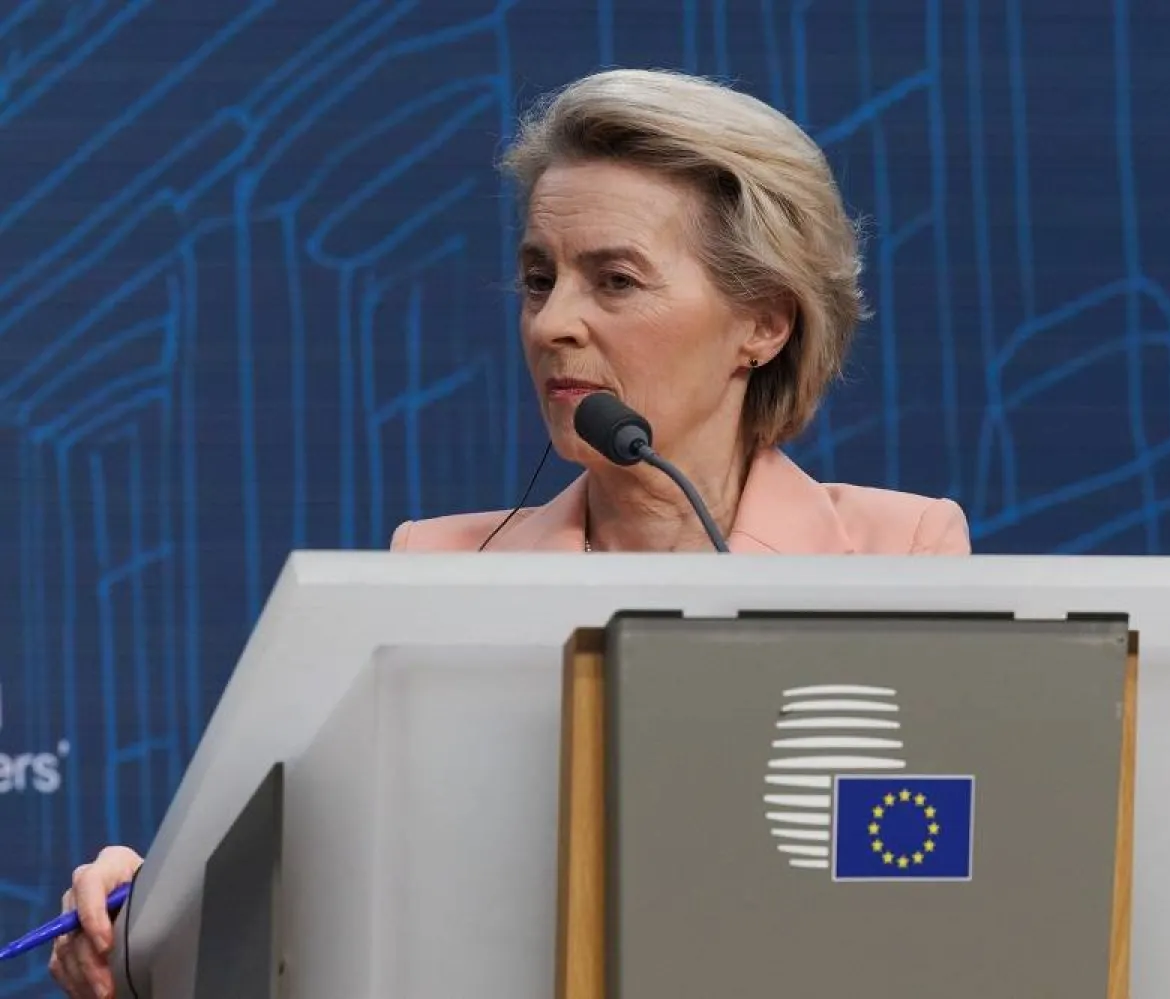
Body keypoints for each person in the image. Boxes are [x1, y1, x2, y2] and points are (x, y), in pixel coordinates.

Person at [48, 66, 970, 997]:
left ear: (762, 323)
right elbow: (316, 901)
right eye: (539, 279)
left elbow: (949, 909)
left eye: (614, 280)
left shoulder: (903, 555)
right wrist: (143, 924)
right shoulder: (434, 571)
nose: (552, 322)